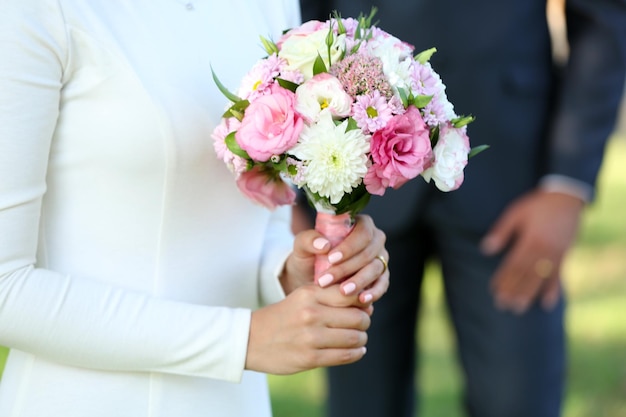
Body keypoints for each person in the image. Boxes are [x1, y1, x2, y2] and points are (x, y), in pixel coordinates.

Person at [0, 1, 391, 416]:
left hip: (234, 402)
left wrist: (291, 269)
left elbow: (262, 223)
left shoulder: (272, 6)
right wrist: (243, 340)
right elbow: (7, 289)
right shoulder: (35, 10)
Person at [299, 1, 626, 417]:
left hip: (511, 182)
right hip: (354, 171)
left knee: (518, 401)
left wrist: (568, 186)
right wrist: (299, 189)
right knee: (359, 403)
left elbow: (603, 18)